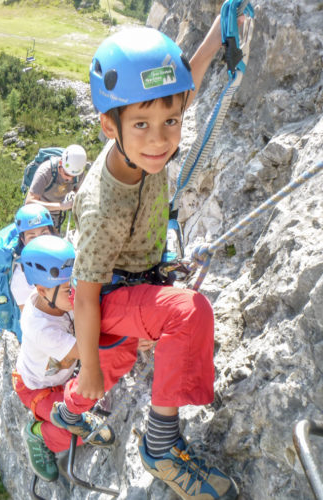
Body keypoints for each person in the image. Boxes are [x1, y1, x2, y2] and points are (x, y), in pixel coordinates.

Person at [51, 24, 242, 500]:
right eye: (142, 125)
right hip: (108, 294)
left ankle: (67, 412)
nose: (160, 141)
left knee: (113, 367)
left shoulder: (141, 139)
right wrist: (87, 361)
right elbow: (87, 292)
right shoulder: (102, 205)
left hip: (131, 284)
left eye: (170, 124)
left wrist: (220, 28)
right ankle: (160, 446)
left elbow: (184, 90)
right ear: (108, 125)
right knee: (186, 312)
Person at [12, 235, 116, 482]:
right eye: (70, 289)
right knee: (73, 425)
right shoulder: (41, 328)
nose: (77, 295)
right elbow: (86, 349)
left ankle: (55, 421)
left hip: (60, 376)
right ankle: (38, 433)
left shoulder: (53, 301)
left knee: (87, 406)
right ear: (42, 290)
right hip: (36, 388)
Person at [25, 144, 87, 233]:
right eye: (67, 175)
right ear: (60, 164)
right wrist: (61, 206)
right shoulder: (45, 171)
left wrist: (75, 198)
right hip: (37, 214)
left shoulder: (78, 173)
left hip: (56, 214)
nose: (69, 179)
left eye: (74, 176)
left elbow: (80, 192)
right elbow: (29, 202)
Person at [9, 204, 56, 311]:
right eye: (32, 237)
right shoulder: (21, 275)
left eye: (44, 233)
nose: (39, 241)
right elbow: (27, 318)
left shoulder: (64, 254)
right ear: (23, 240)